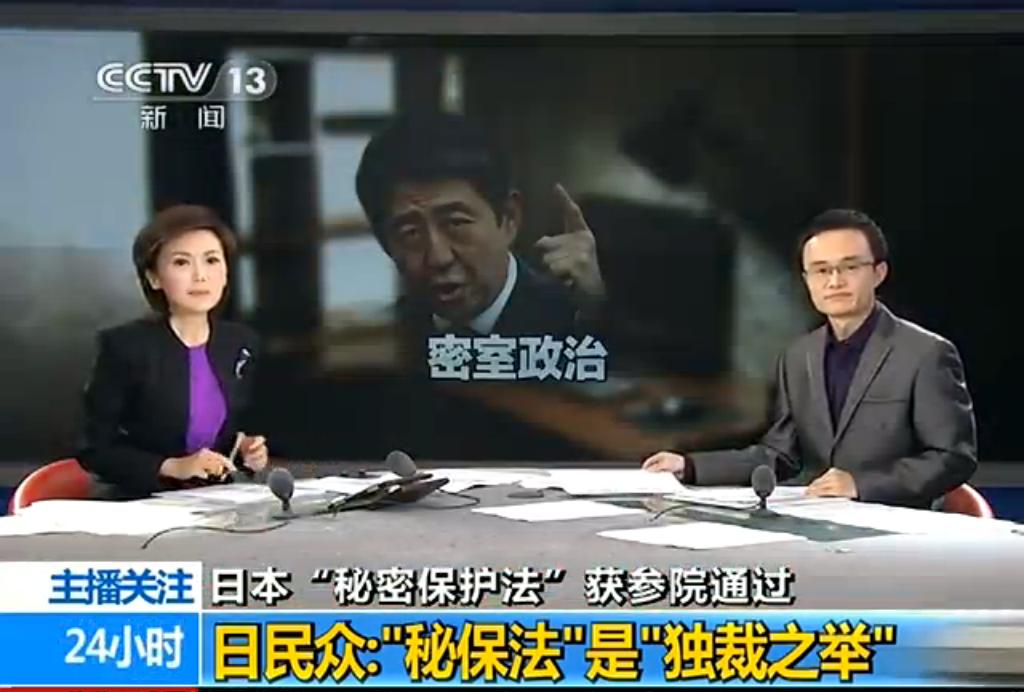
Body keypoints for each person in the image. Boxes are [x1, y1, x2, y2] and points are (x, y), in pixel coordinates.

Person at [643, 208, 977, 510]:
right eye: (821, 270)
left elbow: (953, 457)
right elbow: (780, 455)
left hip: (904, 527)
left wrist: (860, 484)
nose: (834, 281)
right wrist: (689, 466)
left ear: (879, 273)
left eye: (850, 267)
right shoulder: (798, 357)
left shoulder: (926, 353)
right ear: (807, 280)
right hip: (827, 520)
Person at [354, 112, 605, 351]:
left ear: (508, 218)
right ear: (385, 243)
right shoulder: (381, 340)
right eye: (411, 232)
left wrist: (596, 312)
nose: (439, 258)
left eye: (455, 223)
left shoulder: (580, 320)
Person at [77, 204, 269, 496]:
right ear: (154, 278)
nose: (200, 276)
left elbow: (211, 432)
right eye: (182, 263)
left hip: (214, 499)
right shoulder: (125, 346)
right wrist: (172, 466)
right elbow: (93, 448)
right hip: (139, 502)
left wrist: (243, 448)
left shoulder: (240, 343)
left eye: (211, 260)